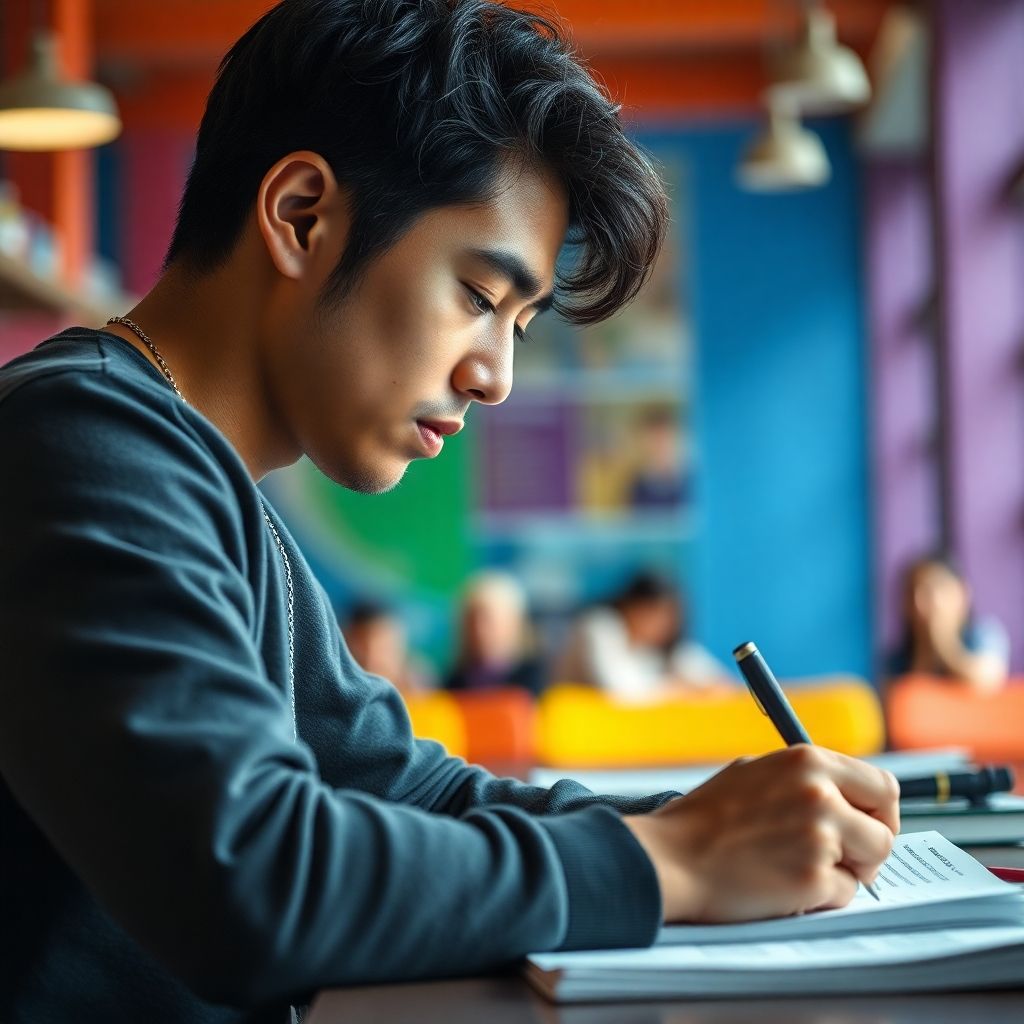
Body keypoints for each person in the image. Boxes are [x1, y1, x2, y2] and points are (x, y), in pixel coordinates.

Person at [0, 3, 899, 1021]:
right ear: (300, 214)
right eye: (479, 294)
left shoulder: (195, 482)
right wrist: (670, 862)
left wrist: (710, 825)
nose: (497, 376)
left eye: (519, 324)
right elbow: (249, 878)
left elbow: (407, 790)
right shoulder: (76, 441)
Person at [556, 571, 733, 699]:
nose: (661, 625)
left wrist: (708, 687)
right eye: (653, 613)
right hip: (581, 736)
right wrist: (679, 690)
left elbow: (718, 684)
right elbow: (618, 693)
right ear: (631, 605)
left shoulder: (660, 647)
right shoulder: (597, 626)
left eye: (669, 618)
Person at [889, 553, 1010, 694]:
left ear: (961, 592)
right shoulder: (897, 660)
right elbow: (900, 704)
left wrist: (941, 640)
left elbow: (987, 680)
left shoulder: (984, 634)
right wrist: (923, 653)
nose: (919, 604)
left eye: (930, 591)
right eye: (912, 593)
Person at [444, 571, 546, 696]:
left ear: (513, 623)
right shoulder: (453, 682)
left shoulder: (535, 682)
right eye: (472, 620)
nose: (479, 629)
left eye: (488, 619)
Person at [342, 600, 436, 696]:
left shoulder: (423, 691)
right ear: (347, 640)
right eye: (362, 647)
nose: (372, 658)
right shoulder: (342, 687)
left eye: (383, 647)